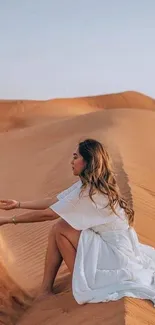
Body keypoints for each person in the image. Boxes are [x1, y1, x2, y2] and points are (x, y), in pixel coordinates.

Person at [0, 138, 155, 306]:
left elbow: (48, 214)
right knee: (59, 227)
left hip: (116, 255)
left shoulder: (90, 193)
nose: (71, 162)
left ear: (88, 162)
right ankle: (45, 290)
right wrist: (18, 205)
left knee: (60, 227)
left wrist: (8, 220)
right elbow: (54, 200)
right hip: (115, 245)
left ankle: (79, 281)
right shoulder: (87, 185)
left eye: (76, 157)